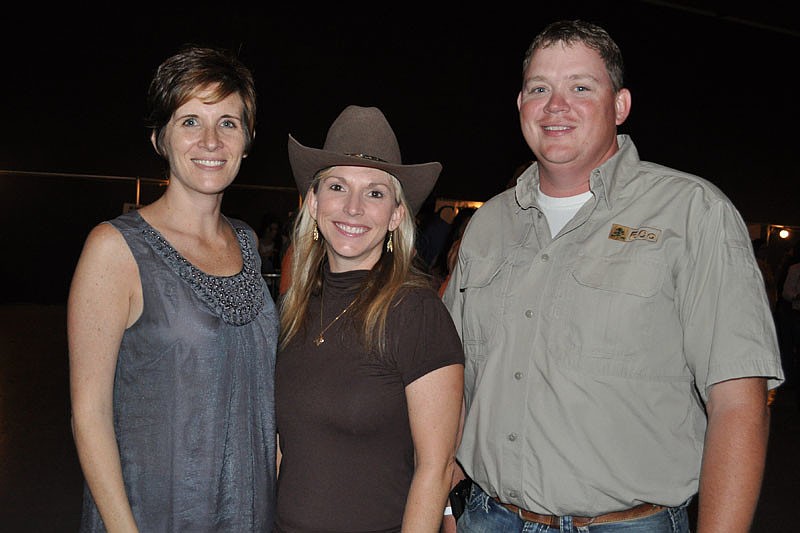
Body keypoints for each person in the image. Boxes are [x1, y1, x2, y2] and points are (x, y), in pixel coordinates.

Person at [442, 20, 784, 533]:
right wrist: (450, 506)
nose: (556, 105)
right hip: (488, 517)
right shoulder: (488, 223)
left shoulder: (692, 214)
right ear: (520, 106)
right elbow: (455, 386)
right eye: (540, 89)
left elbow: (739, 402)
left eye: (581, 87)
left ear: (620, 106)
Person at [68, 45, 278, 532]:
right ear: (159, 138)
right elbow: (89, 415)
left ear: (246, 141)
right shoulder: (115, 248)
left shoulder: (246, 241)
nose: (211, 139)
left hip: (248, 512)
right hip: (155, 514)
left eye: (228, 122)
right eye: (190, 121)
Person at [275, 105, 464, 532]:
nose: (354, 208)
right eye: (338, 187)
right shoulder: (293, 310)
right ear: (313, 202)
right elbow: (285, 448)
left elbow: (434, 470)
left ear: (397, 215)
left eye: (375, 193)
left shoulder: (415, 312)